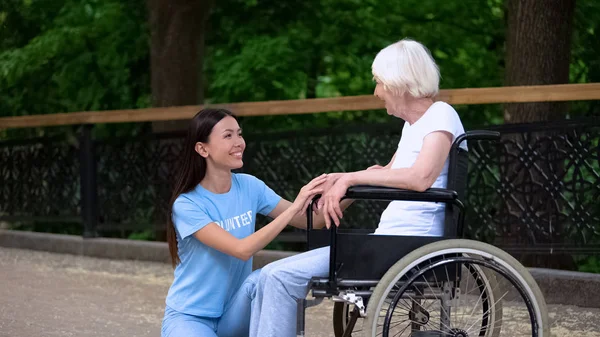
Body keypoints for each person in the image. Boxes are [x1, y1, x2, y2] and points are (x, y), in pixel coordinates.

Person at [250, 38, 467, 337]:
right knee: (268, 276)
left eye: (379, 83)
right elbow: (386, 173)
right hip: (388, 243)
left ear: (399, 82)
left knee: (278, 276)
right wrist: (342, 177)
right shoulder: (414, 126)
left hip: (408, 247)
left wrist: (351, 179)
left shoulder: (440, 114)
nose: (377, 92)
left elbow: (420, 178)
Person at [161, 108, 348, 337]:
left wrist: (351, 187)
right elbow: (241, 250)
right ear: (202, 148)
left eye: (239, 134)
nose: (239, 142)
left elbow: (313, 220)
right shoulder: (187, 205)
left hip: (235, 313)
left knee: (263, 278)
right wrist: (294, 207)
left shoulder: (249, 186)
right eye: (228, 136)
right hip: (190, 318)